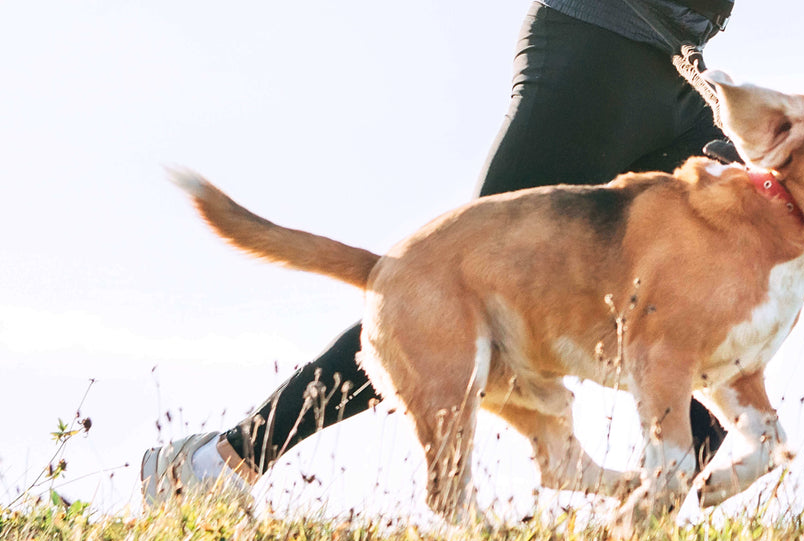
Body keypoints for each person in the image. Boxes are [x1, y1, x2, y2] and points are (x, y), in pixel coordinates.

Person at [142, 0, 734, 506]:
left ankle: (646, 523)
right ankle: (219, 466)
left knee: (741, 267)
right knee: (447, 294)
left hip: (679, 66)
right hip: (599, 48)